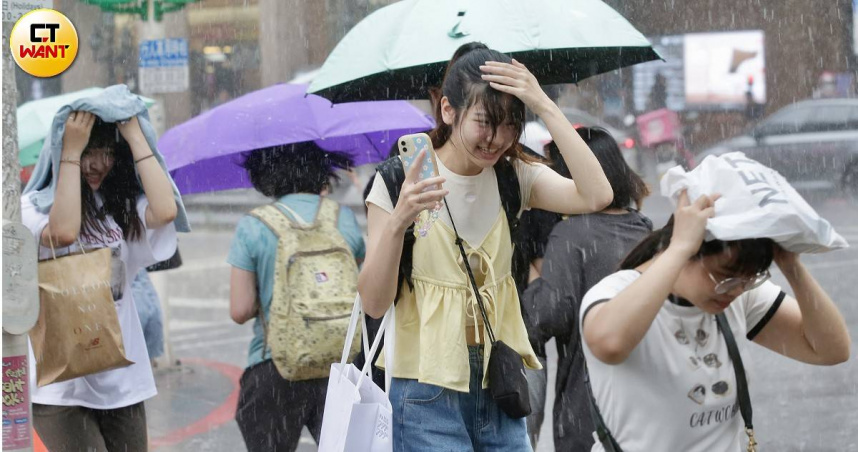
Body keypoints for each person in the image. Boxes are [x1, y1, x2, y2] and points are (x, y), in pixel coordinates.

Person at [359, 42, 613, 450]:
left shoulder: (513, 174)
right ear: (448, 110)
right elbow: (374, 302)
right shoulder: (398, 181)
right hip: (426, 389)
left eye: (512, 124)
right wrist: (398, 222)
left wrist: (544, 104)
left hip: (500, 381)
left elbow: (597, 195)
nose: (497, 139)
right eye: (485, 122)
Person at [580, 190, 851, 451]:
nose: (735, 290)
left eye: (749, 279)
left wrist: (792, 266)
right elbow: (609, 344)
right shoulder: (616, 292)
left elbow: (830, 350)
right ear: (687, 253)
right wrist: (679, 247)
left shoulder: (739, 293)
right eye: (723, 276)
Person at [22, 111, 180, 451]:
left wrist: (136, 136)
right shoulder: (31, 208)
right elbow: (63, 232)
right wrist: (70, 150)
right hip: (60, 385)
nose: (99, 164)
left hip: (123, 378)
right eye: (89, 153)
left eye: (107, 153)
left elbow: (166, 211)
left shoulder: (118, 208)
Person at [228, 143, 365, 452]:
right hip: (339, 366)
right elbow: (361, 288)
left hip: (274, 369)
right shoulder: (342, 218)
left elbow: (240, 309)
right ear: (321, 170)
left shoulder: (254, 224)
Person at [521, 127, 653, 451]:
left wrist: (531, 275)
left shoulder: (571, 235)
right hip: (646, 396)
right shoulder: (644, 229)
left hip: (589, 404)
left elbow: (547, 316)